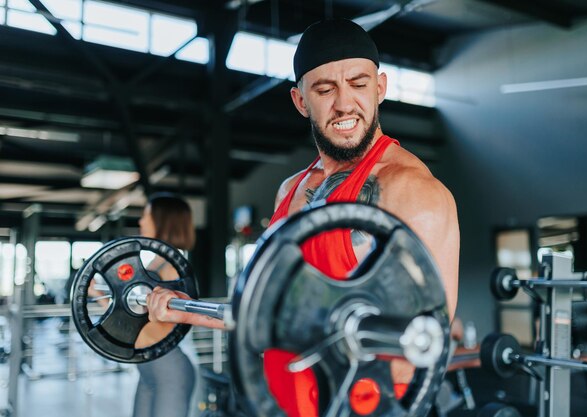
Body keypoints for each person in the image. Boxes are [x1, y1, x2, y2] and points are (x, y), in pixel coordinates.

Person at [147, 18, 459, 417]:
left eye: (359, 84)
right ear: (300, 101)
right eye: (325, 90)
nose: (345, 104)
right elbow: (271, 306)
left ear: (380, 88)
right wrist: (184, 308)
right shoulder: (291, 190)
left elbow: (423, 344)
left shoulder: (414, 193)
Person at [133, 193, 198, 417]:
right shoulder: (156, 262)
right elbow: (136, 321)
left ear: (163, 220)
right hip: (149, 368)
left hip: (169, 369)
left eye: (146, 215)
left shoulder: (173, 267)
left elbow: (154, 329)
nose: (141, 221)